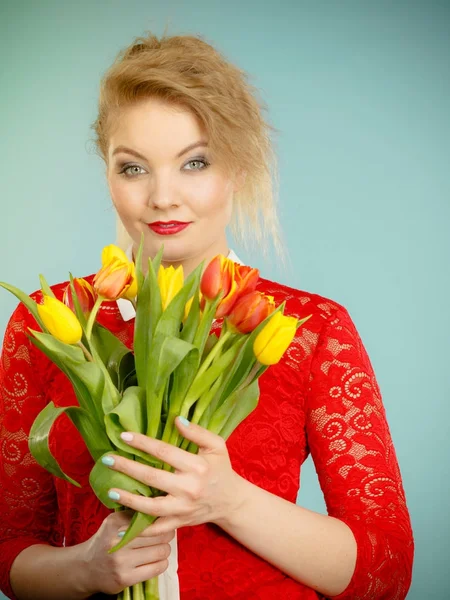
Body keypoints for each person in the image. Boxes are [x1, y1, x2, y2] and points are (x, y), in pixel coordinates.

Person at [0, 33, 414, 600]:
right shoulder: (50, 323)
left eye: (195, 162)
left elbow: (385, 573)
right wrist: (86, 568)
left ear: (238, 169)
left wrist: (230, 500)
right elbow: (10, 549)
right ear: (107, 174)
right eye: (133, 168)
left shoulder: (309, 329)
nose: (163, 197)